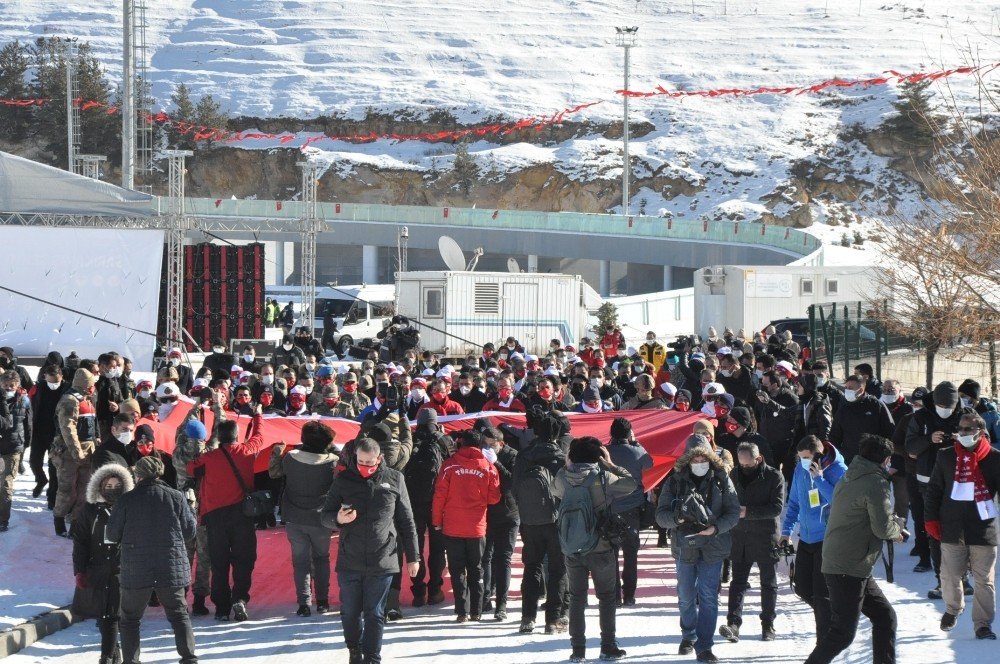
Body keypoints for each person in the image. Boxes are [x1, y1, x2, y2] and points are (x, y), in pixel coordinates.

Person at [804, 435, 903, 664]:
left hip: (848, 562)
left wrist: (890, 523)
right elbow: (882, 528)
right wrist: (896, 528)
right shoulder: (875, 482)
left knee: (885, 617)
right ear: (886, 459)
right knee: (842, 634)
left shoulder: (850, 474)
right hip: (849, 566)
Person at [321, 438, 420, 664]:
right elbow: (324, 516)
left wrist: (413, 557)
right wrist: (337, 518)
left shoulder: (395, 479)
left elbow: (407, 521)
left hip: (383, 558)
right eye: (361, 462)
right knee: (350, 612)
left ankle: (372, 658)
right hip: (350, 558)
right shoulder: (343, 479)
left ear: (379, 459)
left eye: (370, 462)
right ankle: (354, 650)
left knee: (374, 612)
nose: (365, 467)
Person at [106, 456, 199, 664]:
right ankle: (189, 659)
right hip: (170, 566)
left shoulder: (126, 500)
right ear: (160, 473)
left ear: (137, 475)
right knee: (179, 615)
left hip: (135, 569)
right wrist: (192, 507)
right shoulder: (176, 497)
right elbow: (189, 531)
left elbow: (112, 534)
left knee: (130, 619)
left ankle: (131, 661)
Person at [656, 434, 740, 663]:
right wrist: (678, 519)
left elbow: (733, 513)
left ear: (710, 458)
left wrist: (715, 528)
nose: (699, 463)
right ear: (687, 460)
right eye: (695, 459)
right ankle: (688, 635)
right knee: (685, 596)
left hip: (712, 546)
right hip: (686, 546)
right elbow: (660, 516)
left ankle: (704, 645)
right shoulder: (674, 481)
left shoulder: (722, 480)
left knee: (708, 597)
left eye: (704, 458)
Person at [553, 436, 637, 662]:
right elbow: (631, 484)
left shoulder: (563, 477)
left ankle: (577, 650)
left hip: (572, 548)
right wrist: (610, 464)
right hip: (601, 547)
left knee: (577, 598)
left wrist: (566, 465)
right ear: (598, 457)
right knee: (607, 597)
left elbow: (555, 490)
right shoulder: (603, 476)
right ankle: (608, 646)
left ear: (571, 456)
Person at [187, 406, 270, 621]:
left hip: (215, 518)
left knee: (219, 562)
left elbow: (190, 469)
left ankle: (222, 608)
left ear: (219, 438)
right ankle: (240, 599)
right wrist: (258, 415)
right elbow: (259, 436)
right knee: (244, 559)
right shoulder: (247, 450)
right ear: (236, 436)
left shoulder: (209, 458)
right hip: (242, 515)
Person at [925, 412, 1000, 640]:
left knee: (984, 581)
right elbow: (934, 490)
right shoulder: (946, 456)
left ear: (981, 431)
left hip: (984, 528)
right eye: (961, 429)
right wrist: (931, 520)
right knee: (948, 575)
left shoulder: (996, 459)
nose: (963, 433)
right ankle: (952, 609)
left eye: (968, 429)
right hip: (952, 527)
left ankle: (983, 624)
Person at [779, 435, 847, 642]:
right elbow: (794, 502)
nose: (803, 462)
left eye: (807, 457)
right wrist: (786, 531)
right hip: (806, 537)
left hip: (828, 538)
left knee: (820, 593)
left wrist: (819, 478)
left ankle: (824, 642)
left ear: (819, 455)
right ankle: (832, 618)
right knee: (801, 587)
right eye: (800, 458)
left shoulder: (838, 471)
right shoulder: (800, 469)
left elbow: (840, 501)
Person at [268, 421, 339, 617]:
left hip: (294, 518)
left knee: (300, 562)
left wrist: (277, 452)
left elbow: (274, 472)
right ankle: (322, 601)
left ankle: (304, 603)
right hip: (321, 519)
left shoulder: (291, 458)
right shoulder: (333, 461)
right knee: (321, 559)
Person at [906, 381, 970, 595]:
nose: (945, 410)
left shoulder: (967, 415)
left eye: (949, 406)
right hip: (928, 482)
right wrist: (928, 439)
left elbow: (983, 443)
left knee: (961, 531)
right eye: (941, 405)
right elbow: (910, 447)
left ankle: (963, 577)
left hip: (961, 482)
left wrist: (963, 439)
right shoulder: (921, 416)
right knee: (935, 531)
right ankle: (941, 579)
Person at [432, 429, 501, 622]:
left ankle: (461, 611)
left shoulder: (449, 465)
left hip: (452, 527)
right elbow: (494, 498)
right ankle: (476, 611)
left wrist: (437, 521)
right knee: (476, 568)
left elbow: (439, 496)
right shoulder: (488, 467)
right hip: (476, 527)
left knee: (457, 569)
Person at [720, 442, 785, 643]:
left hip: (766, 537)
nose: (744, 468)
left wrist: (748, 512)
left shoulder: (774, 476)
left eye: (748, 464)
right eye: (741, 464)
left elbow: (776, 507)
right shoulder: (734, 475)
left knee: (768, 583)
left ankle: (768, 624)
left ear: (758, 459)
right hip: (740, 537)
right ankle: (733, 623)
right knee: (738, 582)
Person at [512, 411, 570, 634]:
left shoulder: (524, 455)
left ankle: (527, 618)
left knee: (532, 567)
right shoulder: (560, 457)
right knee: (557, 571)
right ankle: (553, 621)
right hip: (556, 520)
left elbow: (515, 488)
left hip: (530, 520)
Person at [72, 462, 133, 664]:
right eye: (108, 486)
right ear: (99, 486)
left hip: (121, 571)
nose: (112, 490)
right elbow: (80, 542)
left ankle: (105, 657)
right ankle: (113, 651)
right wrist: (79, 571)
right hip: (97, 570)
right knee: (103, 616)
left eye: (117, 486)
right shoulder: (90, 510)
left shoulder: (130, 509)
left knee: (113, 617)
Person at [405, 409, 453, 608]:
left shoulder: (410, 441)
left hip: (413, 502)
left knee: (415, 546)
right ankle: (435, 589)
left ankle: (418, 591)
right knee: (437, 548)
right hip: (437, 502)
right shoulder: (443, 440)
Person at [606, 418, 652, 606]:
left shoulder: (604, 452)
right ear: (629, 433)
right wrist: (636, 442)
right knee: (631, 554)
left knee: (611, 554)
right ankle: (630, 595)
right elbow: (649, 464)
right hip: (632, 509)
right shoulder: (638, 452)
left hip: (609, 509)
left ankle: (615, 595)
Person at [52, 368, 99, 537]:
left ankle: (76, 523)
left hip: (88, 451)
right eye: (91, 384)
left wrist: (96, 440)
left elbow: (93, 424)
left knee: (84, 490)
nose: (94, 387)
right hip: (69, 453)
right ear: (85, 384)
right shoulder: (70, 400)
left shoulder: (87, 399)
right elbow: (68, 429)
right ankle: (59, 519)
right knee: (67, 489)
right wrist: (76, 451)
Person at [480, 425, 519, 621]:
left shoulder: (512, 455)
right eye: (484, 445)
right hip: (486, 513)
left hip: (508, 513)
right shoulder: (479, 456)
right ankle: (485, 598)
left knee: (503, 558)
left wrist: (496, 464)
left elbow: (513, 482)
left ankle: (501, 604)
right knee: (485, 557)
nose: (487, 449)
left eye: (492, 445)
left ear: (501, 444)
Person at [829, 374, 895, 465]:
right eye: (846, 387)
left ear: (860, 390)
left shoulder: (876, 405)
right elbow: (835, 435)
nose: (847, 390)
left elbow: (889, 431)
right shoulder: (843, 408)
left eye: (850, 388)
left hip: (873, 460)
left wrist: (883, 456)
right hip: (849, 460)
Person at [31, 363, 69, 507]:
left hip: (57, 434)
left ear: (62, 377)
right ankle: (40, 480)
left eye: (56, 381)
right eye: (50, 381)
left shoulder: (67, 389)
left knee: (54, 468)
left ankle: (51, 498)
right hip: (39, 432)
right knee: (35, 462)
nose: (53, 384)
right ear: (44, 377)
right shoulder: (38, 388)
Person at [0, 370, 32, 531]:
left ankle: (3, 520)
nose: (8, 388)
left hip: (13, 447)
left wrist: (25, 445)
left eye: (11, 385)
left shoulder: (24, 400)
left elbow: (28, 424)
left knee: (6, 484)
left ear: (17, 385)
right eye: (5, 385)